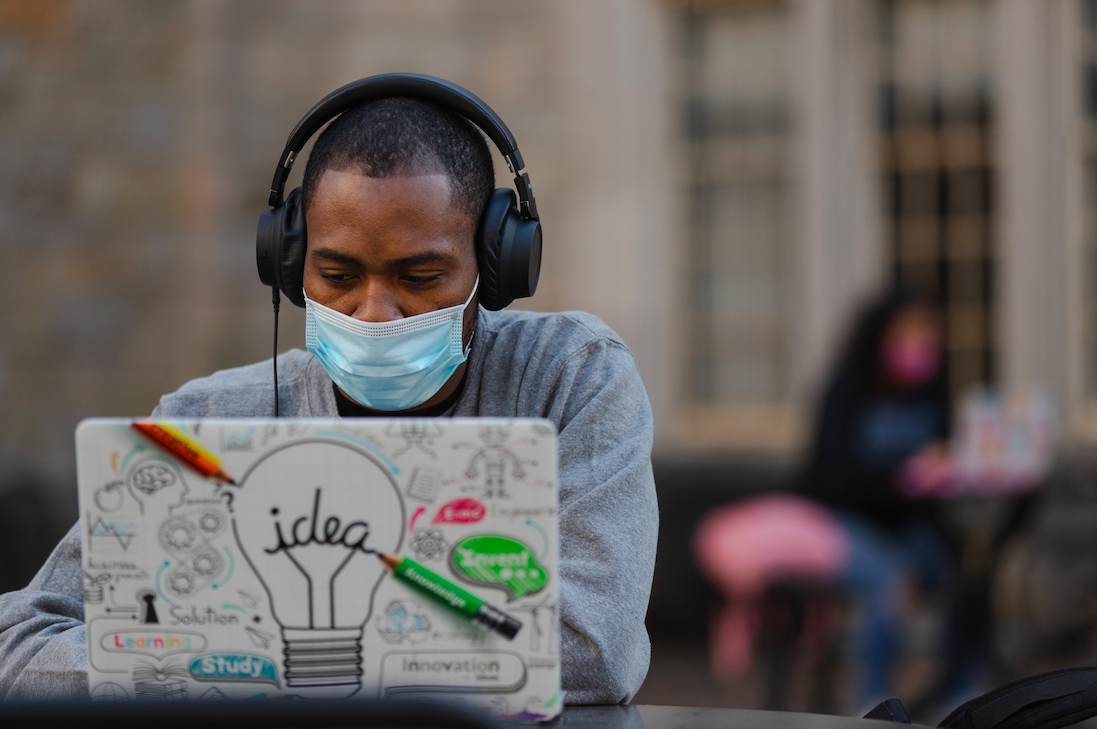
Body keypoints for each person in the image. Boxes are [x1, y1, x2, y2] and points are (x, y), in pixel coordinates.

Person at [0, 80, 658, 704]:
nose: (374, 313)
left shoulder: (570, 378)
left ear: (494, 264)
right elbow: (19, 643)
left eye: (421, 274)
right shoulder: (198, 423)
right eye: (338, 273)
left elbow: (592, 646)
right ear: (289, 264)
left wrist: (212, 655)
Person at [799, 288, 955, 708]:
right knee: (890, 581)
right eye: (907, 333)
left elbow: (943, 462)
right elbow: (827, 477)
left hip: (910, 524)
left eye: (927, 333)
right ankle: (871, 702)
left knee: (970, 577)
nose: (918, 344)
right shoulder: (846, 392)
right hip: (847, 521)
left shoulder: (933, 392)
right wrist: (902, 477)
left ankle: (960, 692)